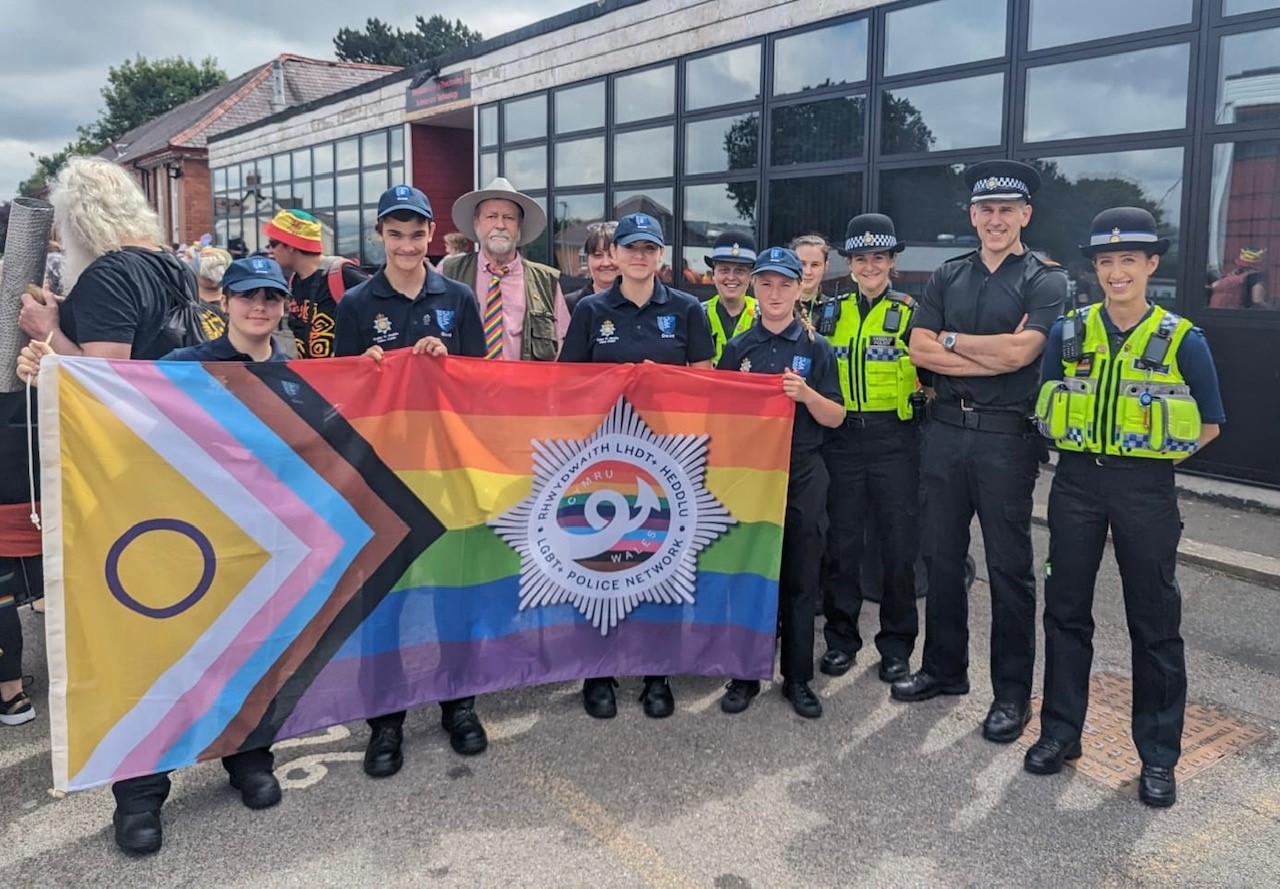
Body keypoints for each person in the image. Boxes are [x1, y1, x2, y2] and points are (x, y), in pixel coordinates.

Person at [16, 256, 292, 855]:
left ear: (284, 306)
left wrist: (381, 371)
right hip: (184, 540)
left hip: (262, 542)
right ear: (225, 303)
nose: (259, 308)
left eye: (271, 298)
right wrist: (54, 368)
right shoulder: (177, 368)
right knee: (158, 659)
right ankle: (140, 793)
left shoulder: (298, 374)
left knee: (250, 653)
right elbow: (112, 404)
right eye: (248, 296)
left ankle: (248, 757)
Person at [1026, 207, 1225, 807]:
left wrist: (1149, 457)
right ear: (1096, 268)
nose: (1117, 273)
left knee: (1156, 624)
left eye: (1128, 261)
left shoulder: (1182, 337)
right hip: (1078, 485)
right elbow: (1046, 400)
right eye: (1106, 262)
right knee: (1065, 613)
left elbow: (1210, 424)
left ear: (1150, 265)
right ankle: (1061, 733)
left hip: (1146, 490)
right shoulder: (1069, 332)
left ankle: (1158, 758)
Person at [892, 160, 1067, 747]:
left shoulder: (1044, 279)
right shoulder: (947, 275)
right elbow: (918, 346)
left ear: (1025, 215)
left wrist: (952, 345)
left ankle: (1012, 695)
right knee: (941, 557)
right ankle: (944, 670)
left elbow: (1024, 354)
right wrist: (977, 350)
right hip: (943, 431)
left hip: (1005, 438)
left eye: (1006, 210)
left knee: (1009, 569)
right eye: (985, 210)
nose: (995, 220)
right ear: (972, 216)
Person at [334, 185, 489, 777]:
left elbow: (479, 388)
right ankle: (386, 719)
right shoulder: (354, 304)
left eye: (416, 233)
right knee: (387, 601)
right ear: (379, 236)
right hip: (383, 475)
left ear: (431, 236)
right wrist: (372, 369)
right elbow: (341, 395)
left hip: (446, 470)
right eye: (394, 234)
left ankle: (460, 703)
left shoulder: (458, 297)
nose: (405, 244)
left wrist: (443, 364)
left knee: (453, 591)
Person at [559, 212, 716, 719]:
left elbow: (703, 386)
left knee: (658, 564)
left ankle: (656, 671)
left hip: (666, 459)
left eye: (650, 248)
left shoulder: (689, 309)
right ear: (616, 255)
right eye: (631, 248)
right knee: (599, 564)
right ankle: (597, 671)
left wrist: (658, 383)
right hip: (602, 457)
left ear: (661, 255)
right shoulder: (589, 310)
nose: (640, 256)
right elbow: (568, 387)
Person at [718, 247, 845, 718]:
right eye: (766, 283)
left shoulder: (817, 348)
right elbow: (722, 416)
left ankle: (798, 678)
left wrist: (806, 394)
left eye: (785, 284)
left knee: (799, 577)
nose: (775, 293)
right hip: (752, 475)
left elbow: (836, 416)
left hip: (803, 471)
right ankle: (744, 674)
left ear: (800, 289)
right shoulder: (738, 348)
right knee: (752, 576)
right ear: (755, 287)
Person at [816, 214, 921, 685]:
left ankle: (896, 647)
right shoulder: (828, 312)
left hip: (894, 441)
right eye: (861, 258)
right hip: (842, 440)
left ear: (892, 261)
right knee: (843, 544)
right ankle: (841, 640)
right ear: (850, 263)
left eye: (879, 257)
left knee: (897, 547)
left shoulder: (912, 312)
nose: (870, 266)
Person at [441, 177, 570, 361]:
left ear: (519, 227)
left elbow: (562, 347)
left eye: (509, 218)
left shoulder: (546, 282)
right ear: (476, 224)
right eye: (491, 216)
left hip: (525, 389)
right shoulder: (447, 273)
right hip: (467, 388)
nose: (500, 225)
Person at [263, 209, 367, 359]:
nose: (270, 251)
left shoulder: (342, 273)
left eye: (273, 244)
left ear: (290, 246)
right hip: (312, 377)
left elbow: (382, 311)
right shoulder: (295, 280)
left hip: (347, 376)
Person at [702, 230, 758, 366]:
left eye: (740, 271)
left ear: (751, 276)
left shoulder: (765, 315)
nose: (731, 277)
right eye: (724, 270)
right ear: (713, 275)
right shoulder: (696, 314)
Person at [564, 221, 618, 315]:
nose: (606, 263)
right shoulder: (570, 304)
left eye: (611, 255)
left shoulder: (638, 301)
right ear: (587, 260)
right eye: (598, 255)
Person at [790, 234, 830, 322]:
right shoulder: (778, 306)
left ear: (825, 267)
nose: (808, 272)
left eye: (815, 265)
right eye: (802, 264)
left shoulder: (834, 308)